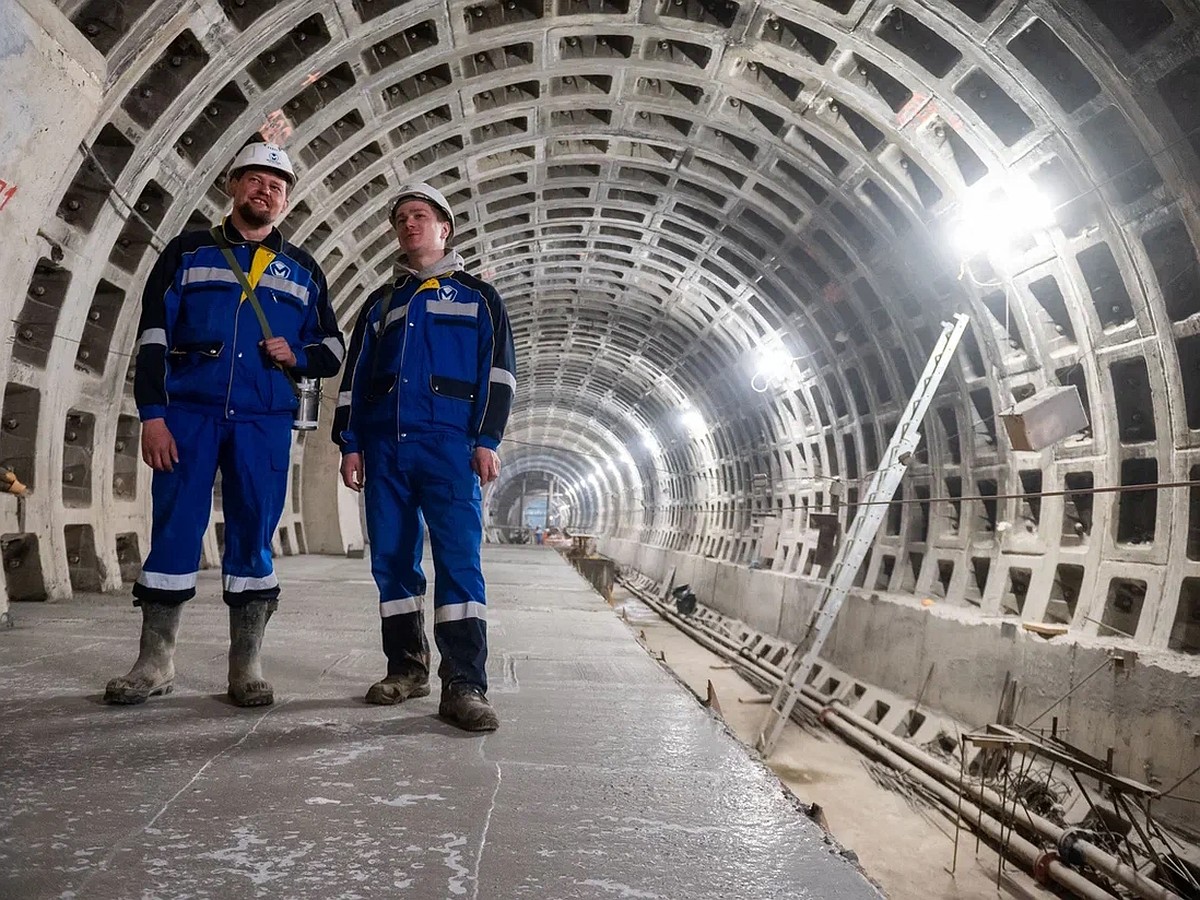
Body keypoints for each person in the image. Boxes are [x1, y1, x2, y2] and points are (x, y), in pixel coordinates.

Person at [105, 139, 345, 707]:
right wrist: (154, 415)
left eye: (278, 186)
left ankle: (247, 665)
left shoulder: (304, 269)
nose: (267, 192)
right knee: (175, 533)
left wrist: (299, 355)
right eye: (256, 181)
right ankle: (155, 661)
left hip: (263, 420)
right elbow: (154, 338)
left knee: (254, 540)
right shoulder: (187, 253)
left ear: (286, 202)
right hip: (189, 415)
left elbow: (333, 347)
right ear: (233, 186)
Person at [333, 182, 516, 732]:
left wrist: (487, 439)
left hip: (449, 448)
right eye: (401, 219)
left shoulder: (479, 298)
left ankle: (464, 684)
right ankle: (407, 668)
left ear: (445, 228)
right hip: (386, 449)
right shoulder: (379, 303)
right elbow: (355, 380)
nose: (409, 225)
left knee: (459, 563)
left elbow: (499, 374)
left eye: (420, 215)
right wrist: (351, 442)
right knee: (391, 560)